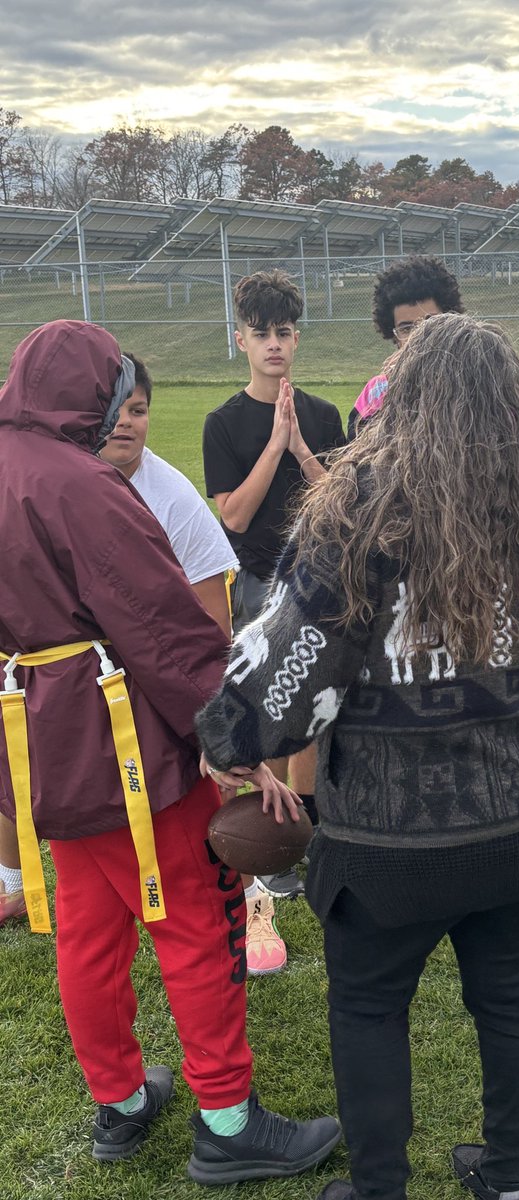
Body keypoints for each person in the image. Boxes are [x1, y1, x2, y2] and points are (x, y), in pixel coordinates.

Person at [196, 313, 519, 1200]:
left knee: (368, 1005)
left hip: (403, 834)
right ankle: (510, 1180)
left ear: (407, 394)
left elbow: (290, 665)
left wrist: (230, 742)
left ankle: (379, 1186)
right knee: (509, 995)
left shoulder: (365, 502)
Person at [0, 320, 340, 1180]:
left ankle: (117, 1101)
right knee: (195, 918)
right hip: (118, 744)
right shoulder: (80, 486)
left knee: (86, 930)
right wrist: (234, 740)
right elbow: (162, 630)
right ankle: (227, 1124)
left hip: (38, 738)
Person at [98, 354, 284, 976]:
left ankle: (254, 895)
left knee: (205, 787)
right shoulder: (64, 483)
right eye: (114, 410)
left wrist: (207, 710)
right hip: (95, 680)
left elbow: (212, 623)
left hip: (167, 672)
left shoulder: (170, 493)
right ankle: (16, 874)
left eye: (139, 410)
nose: (126, 424)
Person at [203, 269, 346, 901]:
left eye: (284, 332)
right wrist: (274, 445)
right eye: (261, 334)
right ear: (240, 339)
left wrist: (303, 448)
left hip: (320, 577)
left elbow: (341, 504)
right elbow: (232, 514)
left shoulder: (322, 413)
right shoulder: (223, 421)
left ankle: (306, 827)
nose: (274, 345)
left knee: (316, 707)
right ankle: (265, 839)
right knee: (267, 706)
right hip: (259, 582)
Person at [347, 254, 463, 439]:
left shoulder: (472, 382)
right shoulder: (376, 394)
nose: (419, 336)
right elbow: (359, 460)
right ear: (394, 334)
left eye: (430, 322)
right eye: (407, 328)